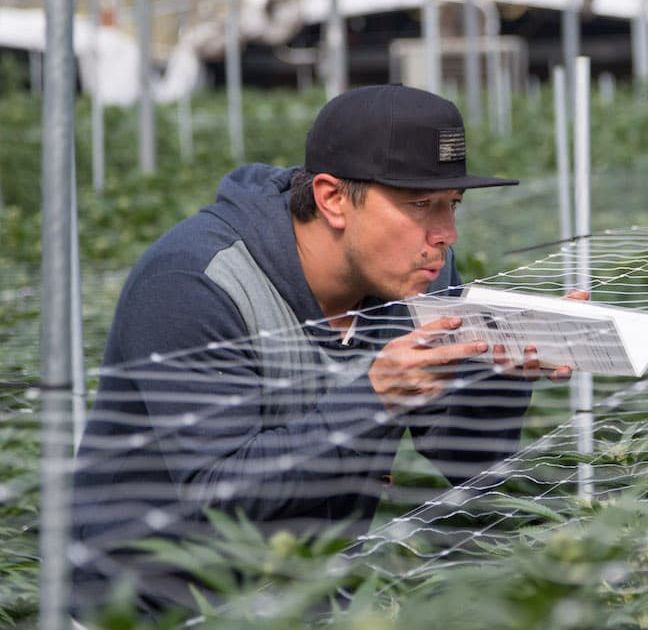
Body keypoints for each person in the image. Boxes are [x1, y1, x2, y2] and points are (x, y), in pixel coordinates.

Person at [70, 84, 580, 616]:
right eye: (420, 205)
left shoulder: (416, 276)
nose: (445, 234)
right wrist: (373, 399)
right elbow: (217, 493)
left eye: (452, 204)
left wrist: (499, 370)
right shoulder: (195, 282)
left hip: (308, 598)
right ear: (333, 198)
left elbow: (463, 459)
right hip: (150, 608)